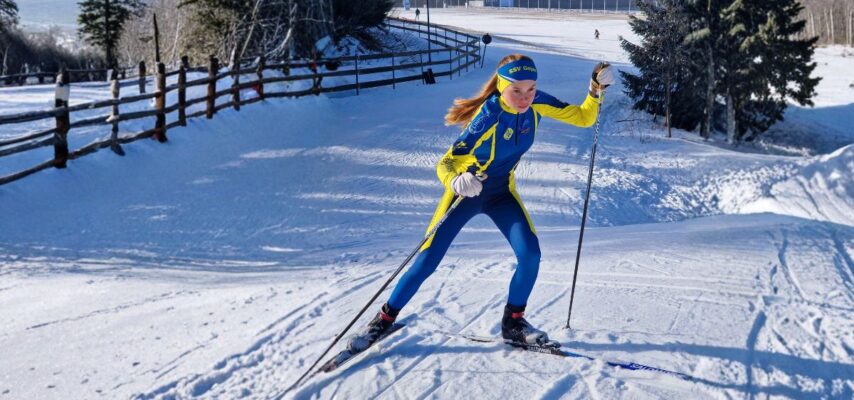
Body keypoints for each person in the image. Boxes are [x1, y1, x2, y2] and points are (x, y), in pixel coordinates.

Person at [348, 54, 614, 352]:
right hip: (466, 193)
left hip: (502, 193)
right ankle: (382, 321)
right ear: (502, 86)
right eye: (517, 90)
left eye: (531, 88)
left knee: (530, 255)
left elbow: (583, 117)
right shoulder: (489, 115)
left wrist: (594, 89)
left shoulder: (537, 102)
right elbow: (447, 161)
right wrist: (456, 180)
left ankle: (513, 323)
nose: (525, 97)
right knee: (427, 260)